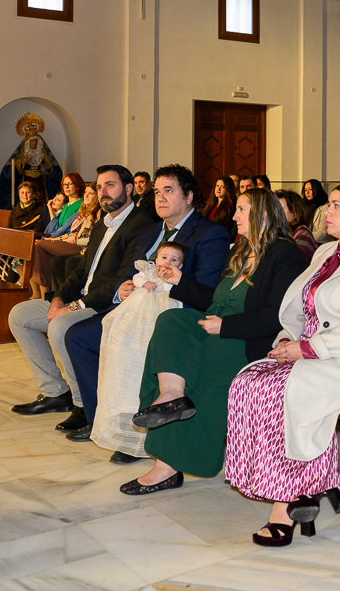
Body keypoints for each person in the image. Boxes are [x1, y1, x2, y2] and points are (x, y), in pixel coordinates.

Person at [224, 181, 340, 546]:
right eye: (330, 205)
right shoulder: (325, 253)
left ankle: (284, 506)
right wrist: (289, 339)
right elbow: (302, 307)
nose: (328, 212)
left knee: (285, 389)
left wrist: (307, 349)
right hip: (322, 353)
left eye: (336, 206)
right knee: (250, 381)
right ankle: (308, 483)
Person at [123, 189, 308, 493]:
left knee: (204, 365)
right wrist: (179, 280)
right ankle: (171, 395)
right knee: (171, 321)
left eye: (241, 210)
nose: (234, 216)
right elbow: (215, 300)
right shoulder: (241, 251)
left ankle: (168, 466)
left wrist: (226, 326)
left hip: (249, 339)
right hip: (219, 326)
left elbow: (276, 316)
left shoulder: (285, 254)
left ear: (262, 214)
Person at [63, 164, 230, 449]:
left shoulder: (209, 234)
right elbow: (131, 273)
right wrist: (125, 289)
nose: (160, 198)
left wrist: (174, 281)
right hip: (135, 306)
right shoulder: (152, 231)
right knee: (77, 337)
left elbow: (206, 295)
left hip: (176, 314)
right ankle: (104, 420)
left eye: (169, 191)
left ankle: (141, 435)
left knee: (136, 342)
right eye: (156, 192)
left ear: (189, 196)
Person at [8, 165, 154, 432]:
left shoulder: (140, 225)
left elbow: (122, 279)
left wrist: (74, 306)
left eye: (110, 185)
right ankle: (55, 392)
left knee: (60, 326)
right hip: (82, 300)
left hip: (106, 305)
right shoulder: (102, 224)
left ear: (129, 188)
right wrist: (58, 298)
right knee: (19, 315)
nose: (103, 193)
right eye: (99, 187)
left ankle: (83, 404)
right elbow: (81, 269)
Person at [89, 241, 185, 461]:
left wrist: (166, 284)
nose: (167, 263)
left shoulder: (173, 281)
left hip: (158, 319)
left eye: (174, 260)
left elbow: (175, 293)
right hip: (134, 318)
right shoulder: (149, 271)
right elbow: (137, 278)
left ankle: (145, 439)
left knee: (146, 364)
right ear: (156, 258)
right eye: (164, 258)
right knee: (123, 363)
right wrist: (145, 284)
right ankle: (124, 434)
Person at [28, 182, 100, 300]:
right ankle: (50, 295)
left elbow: (92, 237)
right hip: (72, 242)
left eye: (91, 194)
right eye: (86, 192)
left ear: (97, 196)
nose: (86, 196)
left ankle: (44, 288)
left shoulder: (97, 213)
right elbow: (70, 231)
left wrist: (68, 239)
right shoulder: (83, 211)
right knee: (49, 257)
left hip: (82, 246)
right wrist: (62, 238)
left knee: (40, 245)